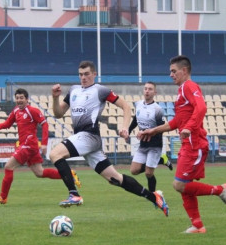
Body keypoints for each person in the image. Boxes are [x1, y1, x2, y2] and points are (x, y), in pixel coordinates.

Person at [49, 60, 168, 216]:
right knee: (115, 179)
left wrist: (124, 127)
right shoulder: (73, 90)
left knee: (55, 154)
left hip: (89, 135)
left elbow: (125, 106)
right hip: (83, 138)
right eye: (80, 74)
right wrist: (55, 98)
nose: (83, 77)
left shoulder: (100, 90)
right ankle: (154, 197)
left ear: (94, 74)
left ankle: (74, 194)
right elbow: (58, 114)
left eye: (86, 74)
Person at [138, 55, 226, 233]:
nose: (171, 75)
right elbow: (177, 121)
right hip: (188, 144)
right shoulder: (182, 90)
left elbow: (201, 107)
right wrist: (154, 130)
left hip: (194, 144)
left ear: (184, 71)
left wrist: (189, 127)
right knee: (184, 186)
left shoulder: (189, 86)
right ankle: (197, 225)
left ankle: (220, 190)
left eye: (173, 71)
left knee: (179, 185)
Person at [0, 88, 80, 204]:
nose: (19, 100)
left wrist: (44, 143)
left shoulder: (32, 111)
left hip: (28, 145)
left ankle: (2, 197)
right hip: (29, 147)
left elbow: (45, 125)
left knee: (8, 167)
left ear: (27, 99)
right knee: (39, 173)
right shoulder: (16, 111)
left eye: (21, 98)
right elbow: (8, 123)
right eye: (17, 98)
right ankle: (69, 174)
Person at [128, 81, 171, 193]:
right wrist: (128, 130)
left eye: (150, 89)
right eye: (145, 88)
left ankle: (153, 195)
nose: (147, 91)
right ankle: (161, 160)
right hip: (143, 143)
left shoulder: (158, 109)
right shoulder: (138, 104)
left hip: (155, 144)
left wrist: (149, 133)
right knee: (134, 170)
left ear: (155, 93)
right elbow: (136, 119)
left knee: (148, 173)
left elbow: (162, 129)